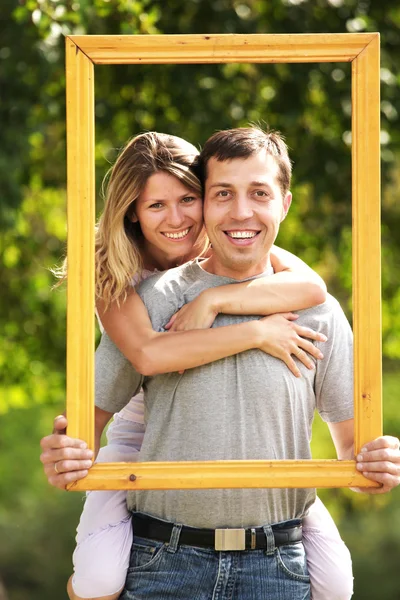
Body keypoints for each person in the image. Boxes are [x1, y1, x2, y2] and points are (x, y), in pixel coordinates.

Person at [40, 128, 400, 599]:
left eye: (259, 194)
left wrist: (377, 465)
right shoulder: (146, 298)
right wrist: (67, 450)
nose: (241, 211)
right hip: (162, 560)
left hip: (278, 565)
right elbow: (91, 419)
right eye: (223, 194)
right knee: (96, 581)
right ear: (208, 205)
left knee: (339, 585)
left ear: (284, 204)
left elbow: (354, 449)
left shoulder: (319, 310)